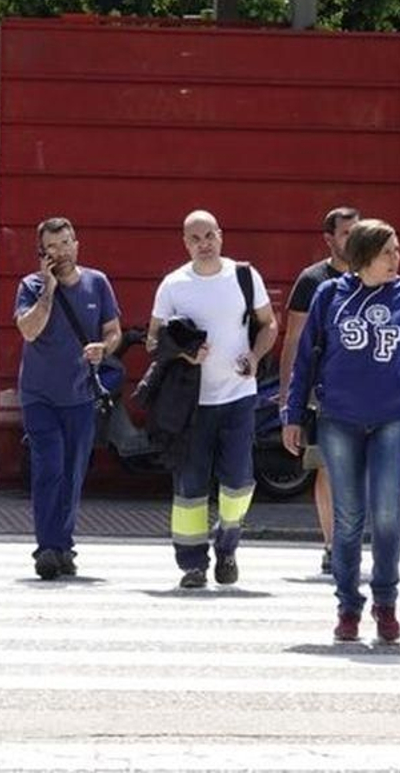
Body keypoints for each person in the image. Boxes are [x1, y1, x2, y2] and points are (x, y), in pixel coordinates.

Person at [282, 218, 400, 645]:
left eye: (397, 250)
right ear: (363, 258)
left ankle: (386, 602)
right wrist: (293, 414)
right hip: (339, 418)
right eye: (387, 252)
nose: (397, 258)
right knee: (348, 518)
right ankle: (347, 607)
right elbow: (306, 359)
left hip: (393, 418)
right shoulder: (330, 295)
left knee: (387, 513)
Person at [149, 210, 278, 590]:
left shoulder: (243, 276)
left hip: (238, 396)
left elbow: (269, 323)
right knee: (189, 486)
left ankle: (227, 546)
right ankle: (192, 564)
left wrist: (254, 357)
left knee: (239, 481)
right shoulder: (174, 284)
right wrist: (184, 355)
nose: (204, 244)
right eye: (195, 238)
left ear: (221, 236)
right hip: (191, 402)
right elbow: (153, 340)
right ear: (184, 243)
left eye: (209, 236)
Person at [14, 217, 122, 580]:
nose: (59, 252)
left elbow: (113, 331)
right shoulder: (30, 286)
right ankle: (47, 547)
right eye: (51, 247)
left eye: (64, 243)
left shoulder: (98, 283)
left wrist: (102, 349)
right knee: (49, 467)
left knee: (73, 472)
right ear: (41, 252)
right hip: (39, 395)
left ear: (77, 244)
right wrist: (48, 289)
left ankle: (63, 545)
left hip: (79, 395)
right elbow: (28, 331)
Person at [278, 207, 360, 574]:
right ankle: (332, 544)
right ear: (329, 238)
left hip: (368, 390)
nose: (353, 239)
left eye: (358, 232)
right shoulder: (312, 281)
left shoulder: (375, 277)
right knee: (328, 467)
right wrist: (287, 399)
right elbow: (293, 341)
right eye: (346, 233)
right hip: (323, 392)